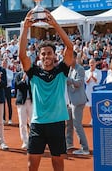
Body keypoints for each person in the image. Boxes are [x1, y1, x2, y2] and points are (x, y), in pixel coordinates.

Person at [19, 10, 73, 171]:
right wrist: (25, 28)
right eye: (43, 54)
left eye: (49, 53)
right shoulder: (34, 72)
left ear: (55, 55)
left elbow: (69, 48)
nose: (46, 56)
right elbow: (22, 55)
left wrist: (55, 24)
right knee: (32, 166)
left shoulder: (62, 70)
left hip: (57, 124)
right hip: (37, 124)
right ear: (39, 56)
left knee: (58, 165)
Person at [66, 51, 89, 155]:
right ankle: (69, 143)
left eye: (69, 57)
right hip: (71, 101)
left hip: (78, 101)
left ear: (74, 58)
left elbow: (78, 84)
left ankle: (85, 148)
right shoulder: (70, 68)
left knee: (77, 125)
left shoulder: (80, 69)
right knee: (69, 124)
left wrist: (67, 79)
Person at [14, 68, 33, 149]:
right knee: (22, 123)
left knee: (33, 122)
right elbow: (17, 86)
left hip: (31, 102)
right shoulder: (18, 75)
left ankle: (33, 140)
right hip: (21, 102)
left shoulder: (33, 75)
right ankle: (25, 141)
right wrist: (23, 80)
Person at [84, 58, 102, 126]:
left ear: (95, 64)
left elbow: (98, 81)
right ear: (89, 64)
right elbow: (86, 82)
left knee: (96, 105)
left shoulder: (98, 72)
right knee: (90, 105)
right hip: (88, 90)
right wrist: (89, 77)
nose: (91, 64)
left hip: (96, 90)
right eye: (90, 63)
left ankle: (97, 119)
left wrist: (93, 77)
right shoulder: (86, 72)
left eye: (93, 63)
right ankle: (92, 119)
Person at [2, 58, 13, 125]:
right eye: (3, 63)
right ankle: (3, 118)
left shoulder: (10, 72)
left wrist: (4, 75)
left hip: (8, 88)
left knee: (9, 104)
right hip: (2, 88)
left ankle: (10, 119)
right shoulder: (0, 71)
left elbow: (10, 79)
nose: (4, 64)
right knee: (2, 104)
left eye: (5, 63)